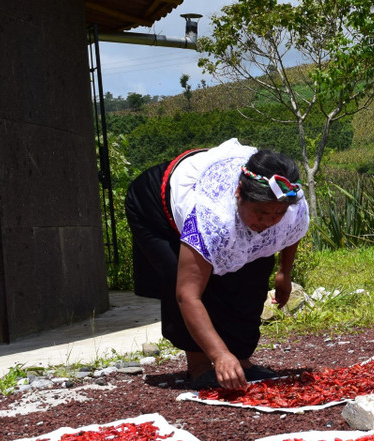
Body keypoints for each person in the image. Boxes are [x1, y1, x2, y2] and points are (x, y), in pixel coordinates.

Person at [124, 139, 310, 390]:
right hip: (155, 205)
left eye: (276, 215)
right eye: (260, 213)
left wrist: (283, 273)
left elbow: (291, 232)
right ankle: (199, 365)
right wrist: (218, 355)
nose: (268, 222)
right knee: (181, 273)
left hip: (214, 187)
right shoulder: (212, 216)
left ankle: (241, 361)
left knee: (252, 275)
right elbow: (187, 295)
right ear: (238, 194)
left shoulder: (288, 202)